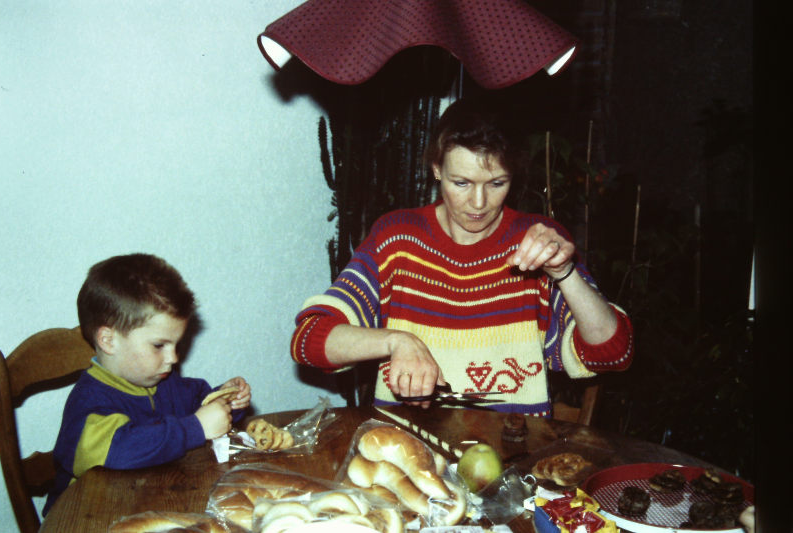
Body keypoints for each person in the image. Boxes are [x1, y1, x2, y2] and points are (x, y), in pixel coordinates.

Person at [291, 98, 633, 414]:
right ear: (437, 168)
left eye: (497, 183)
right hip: (411, 459)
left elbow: (613, 353)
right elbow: (310, 340)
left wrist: (564, 272)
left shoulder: (537, 241)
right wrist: (397, 340)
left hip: (512, 462)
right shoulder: (396, 238)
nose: (479, 204)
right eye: (462, 183)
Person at [43, 253, 251, 516]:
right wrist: (195, 427)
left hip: (145, 504)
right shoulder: (88, 403)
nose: (174, 358)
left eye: (177, 344)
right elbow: (121, 449)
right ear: (109, 341)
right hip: (84, 516)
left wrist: (225, 401)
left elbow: (200, 400)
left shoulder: (165, 382)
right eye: (159, 345)